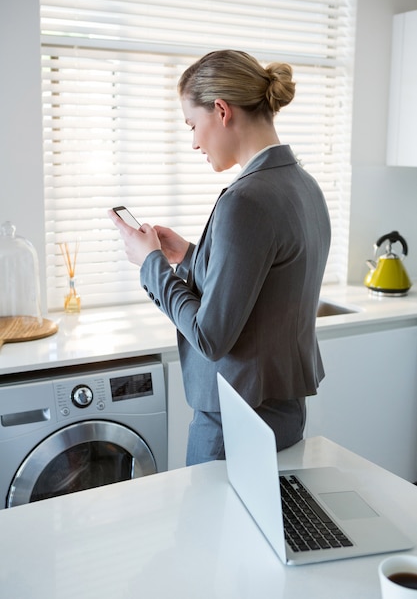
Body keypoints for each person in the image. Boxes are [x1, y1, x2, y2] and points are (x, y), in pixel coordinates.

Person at [109, 49, 331, 466]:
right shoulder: (304, 186)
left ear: (222, 110)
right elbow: (262, 283)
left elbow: (210, 336)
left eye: (193, 124)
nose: (193, 141)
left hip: (234, 418)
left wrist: (152, 265)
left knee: (210, 530)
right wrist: (188, 255)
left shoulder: (246, 200)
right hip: (282, 410)